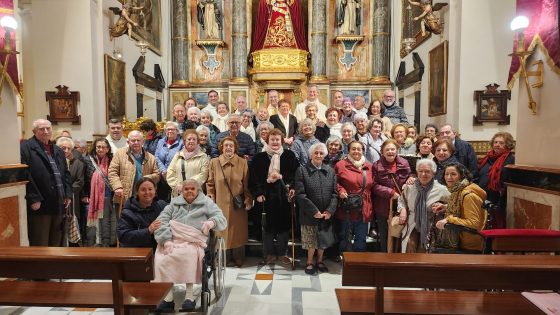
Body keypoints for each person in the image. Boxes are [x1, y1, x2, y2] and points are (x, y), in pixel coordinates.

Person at [154, 179, 227, 312]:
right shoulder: (174, 203)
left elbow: (221, 219)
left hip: (194, 240)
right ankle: (168, 297)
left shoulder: (206, 203)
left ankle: (189, 296)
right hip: (174, 238)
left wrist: (212, 222)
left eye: (192, 189)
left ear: (197, 190)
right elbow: (161, 220)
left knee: (188, 255)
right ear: (181, 191)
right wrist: (166, 239)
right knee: (161, 256)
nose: (189, 191)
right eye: (186, 189)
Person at [250, 128, 299, 265]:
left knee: (284, 226)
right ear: (267, 141)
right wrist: (258, 193)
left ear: (282, 141)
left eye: (278, 139)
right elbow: (253, 178)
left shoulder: (289, 156)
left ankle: (283, 253)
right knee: (267, 227)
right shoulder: (259, 157)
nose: (275, 142)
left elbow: (296, 175)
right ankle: (269, 254)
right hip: (265, 198)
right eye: (272, 139)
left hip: (284, 197)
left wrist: (293, 188)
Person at [21, 119, 72, 247]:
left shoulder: (57, 150)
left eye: (48, 128)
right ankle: (39, 267)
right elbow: (25, 174)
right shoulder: (26, 148)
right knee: (40, 241)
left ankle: (55, 267)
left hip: (59, 203)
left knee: (56, 241)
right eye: (41, 129)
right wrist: (34, 198)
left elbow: (66, 174)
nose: (45, 131)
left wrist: (68, 194)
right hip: (40, 204)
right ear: (34, 131)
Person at [206, 137, 252, 267]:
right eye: (226, 145)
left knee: (237, 231)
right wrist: (211, 198)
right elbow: (210, 183)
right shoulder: (214, 162)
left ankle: (238, 257)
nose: (228, 148)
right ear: (221, 147)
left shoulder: (243, 162)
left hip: (238, 204)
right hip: (219, 204)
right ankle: (224, 257)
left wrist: (248, 199)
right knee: (221, 230)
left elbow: (246, 184)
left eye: (231, 146)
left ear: (235, 148)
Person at [294, 143, 337, 275]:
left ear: (324, 155)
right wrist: (314, 211)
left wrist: (330, 210)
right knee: (310, 241)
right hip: (309, 213)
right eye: (316, 153)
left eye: (321, 153)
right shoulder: (302, 170)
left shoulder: (330, 171)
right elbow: (300, 194)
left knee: (322, 241)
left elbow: (335, 194)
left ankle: (319, 261)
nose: (318, 155)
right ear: (311, 154)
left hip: (325, 214)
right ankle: (309, 262)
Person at [397, 159, 450, 253]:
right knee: (409, 247)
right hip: (412, 222)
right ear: (416, 172)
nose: (423, 174)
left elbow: (452, 205)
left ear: (433, 173)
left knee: (424, 251)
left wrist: (443, 206)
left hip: (431, 225)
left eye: (427, 171)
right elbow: (401, 201)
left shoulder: (441, 189)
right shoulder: (409, 187)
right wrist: (403, 209)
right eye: (420, 171)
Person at [433, 163, 487, 251]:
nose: (449, 177)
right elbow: (462, 208)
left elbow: (473, 223)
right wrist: (446, 207)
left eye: (453, 174)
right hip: (461, 241)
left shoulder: (468, 195)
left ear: (462, 176)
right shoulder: (457, 190)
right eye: (446, 174)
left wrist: (448, 219)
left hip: (468, 245)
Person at [372, 139, 412, 252]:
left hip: (402, 205)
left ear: (397, 150)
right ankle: (385, 256)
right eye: (387, 149)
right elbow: (374, 185)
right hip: (383, 205)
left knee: (400, 232)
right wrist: (390, 193)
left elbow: (409, 176)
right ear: (382, 152)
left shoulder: (404, 163)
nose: (390, 152)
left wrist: (410, 179)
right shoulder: (376, 165)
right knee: (385, 234)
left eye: (393, 149)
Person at [334, 140, 373, 252]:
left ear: (363, 151)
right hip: (347, 206)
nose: (356, 151)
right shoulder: (341, 165)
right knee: (345, 235)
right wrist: (340, 190)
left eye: (359, 149)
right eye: (353, 149)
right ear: (349, 150)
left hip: (364, 207)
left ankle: (358, 262)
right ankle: (345, 259)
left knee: (361, 237)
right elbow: (334, 182)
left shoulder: (369, 167)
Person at [108, 131, 160, 213]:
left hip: (144, 198)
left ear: (143, 142)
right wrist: (117, 187)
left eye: (138, 140)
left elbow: (157, 175)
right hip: (124, 196)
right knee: (123, 223)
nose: (136, 142)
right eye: (133, 140)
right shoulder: (120, 154)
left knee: (142, 223)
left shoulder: (151, 158)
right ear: (128, 142)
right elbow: (112, 171)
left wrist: (146, 179)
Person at [476, 132, 515, 229]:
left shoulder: (510, 160)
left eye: (501, 143)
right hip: (482, 196)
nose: (497, 145)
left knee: (494, 227)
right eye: (495, 142)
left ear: (508, 145)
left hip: (498, 200)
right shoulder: (487, 158)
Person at [117, 178, 167, 249]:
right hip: (136, 252)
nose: (147, 192)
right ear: (137, 192)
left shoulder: (162, 205)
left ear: (155, 191)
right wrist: (148, 231)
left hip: (159, 250)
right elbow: (123, 236)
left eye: (150, 189)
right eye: (143, 190)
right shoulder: (128, 212)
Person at [84, 138, 115, 247]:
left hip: (107, 196)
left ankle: (106, 244)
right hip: (92, 198)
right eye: (98, 147)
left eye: (103, 147)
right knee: (92, 224)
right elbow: (83, 178)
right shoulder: (87, 159)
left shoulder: (112, 160)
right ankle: (92, 244)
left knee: (106, 222)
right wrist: (84, 194)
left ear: (108, 149)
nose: (100, 149)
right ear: (95, 147)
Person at [56, 137, 85, 246]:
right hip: (57, 199)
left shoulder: (77, 163)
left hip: (72, 199)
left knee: (72, 225)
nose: (66, 151)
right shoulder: (54, 162)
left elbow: (79, 182)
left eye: (69, 148)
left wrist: (67, 192)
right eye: (63, 148)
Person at [166, 129, 209, 196]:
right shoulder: (178, 155)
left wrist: (187, 186)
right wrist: (177, 185)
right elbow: (170, 172)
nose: (191, 141)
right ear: (184, 141)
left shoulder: (203, 156)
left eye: (194, 139)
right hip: (178, 193)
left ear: (197, 142)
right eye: (189, 139)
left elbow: (203, 174)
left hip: (196, 194)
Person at [155, 122, 184, 202]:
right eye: (168, 129)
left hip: (176, 176)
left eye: (172, 129)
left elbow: (180, 157)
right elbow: (156, 157)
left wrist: (169, 172)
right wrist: (163, 170)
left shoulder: (182, 143)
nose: (170, 131)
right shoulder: (161, 141)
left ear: (177, 131)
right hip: (162, 176)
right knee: (162, 201)